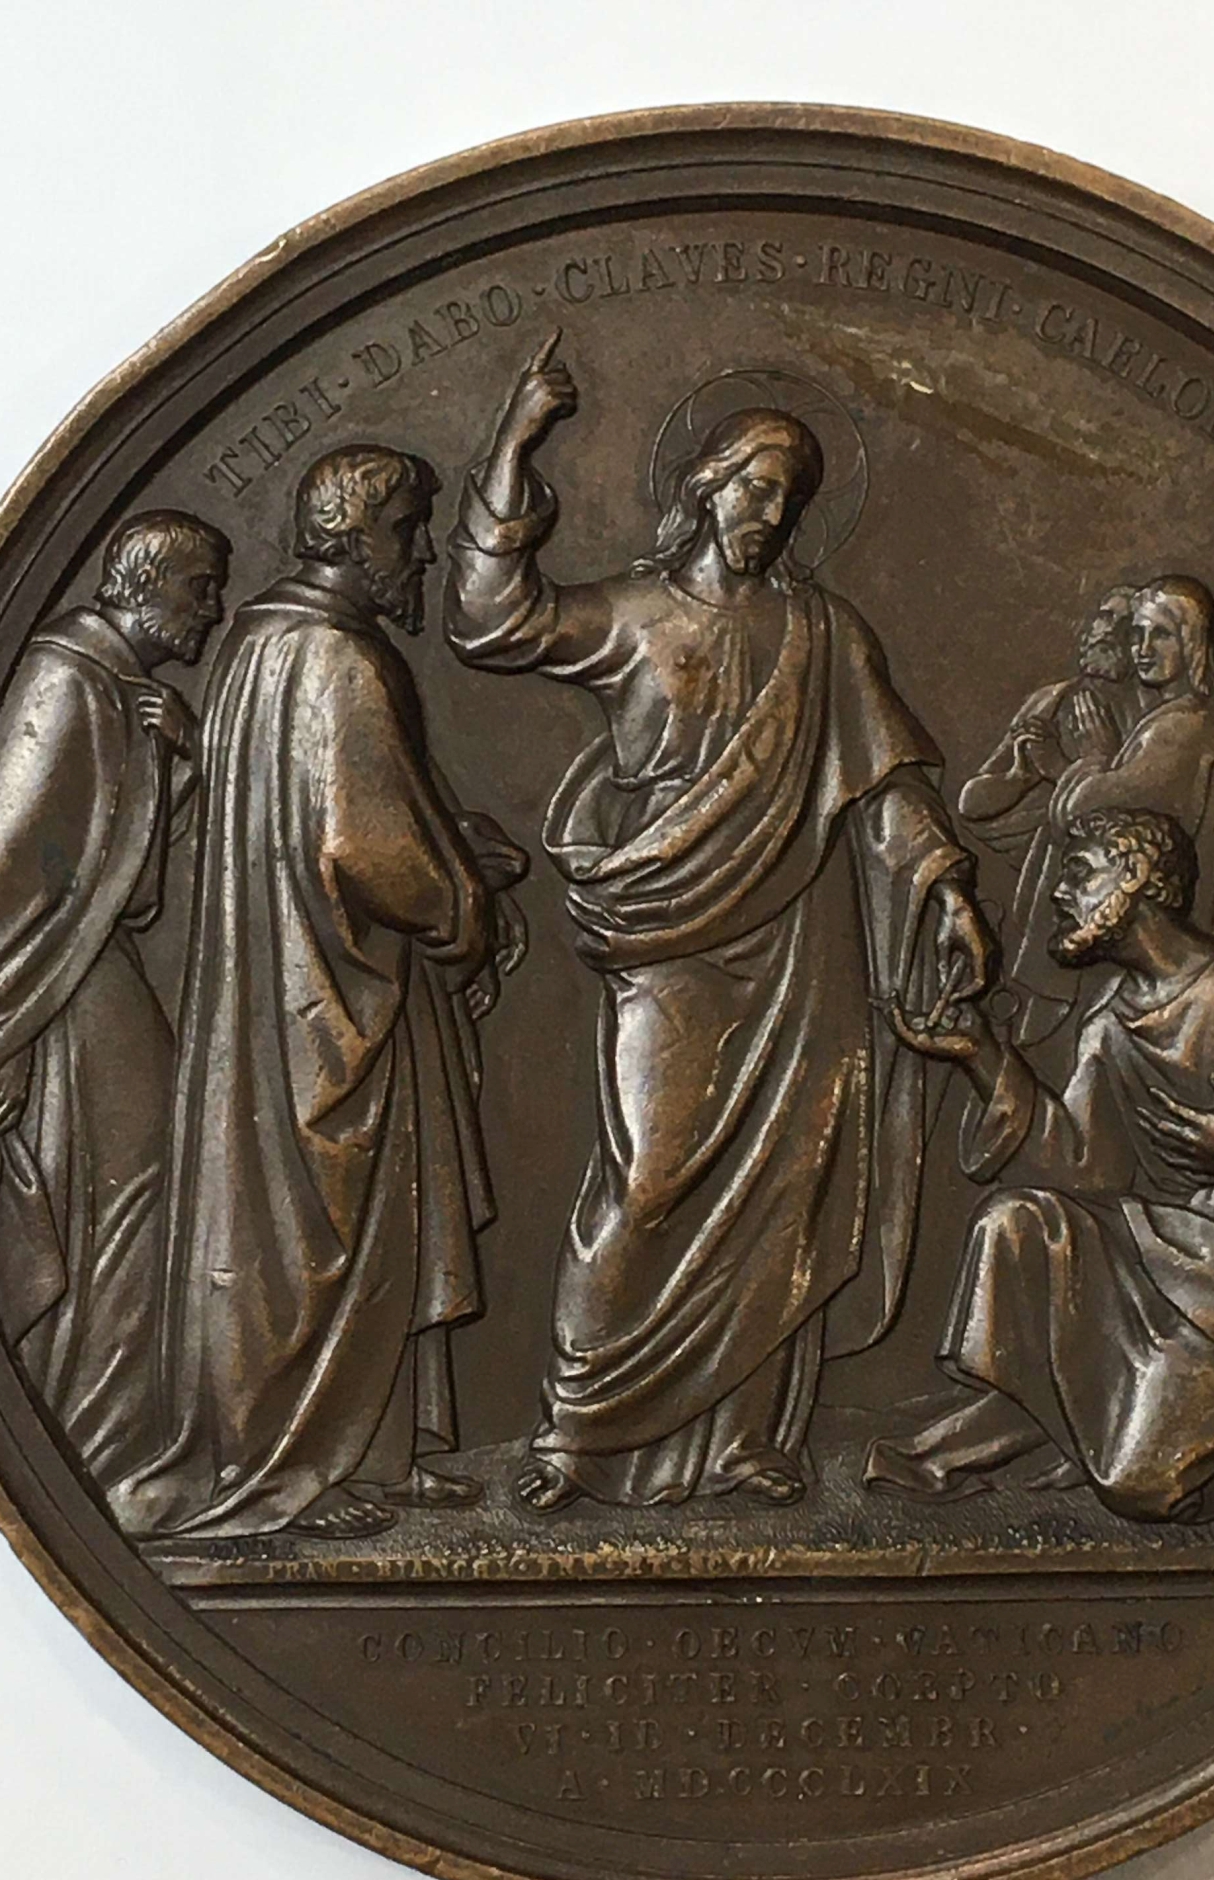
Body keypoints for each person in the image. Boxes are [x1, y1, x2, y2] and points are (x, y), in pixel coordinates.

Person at [447, 333, 994, 1511]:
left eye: (787, 498)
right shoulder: (634, 613)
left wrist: (944, 886)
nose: (770, 514)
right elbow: (492, 622)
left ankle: (747, 1437)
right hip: (667, 935)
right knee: (647, 1178)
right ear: (703, 485)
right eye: (754, 488)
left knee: (782, 1185)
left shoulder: (824, 632)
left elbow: (883, 784)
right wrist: (514, 443)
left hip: (799, 940)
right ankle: (577, 1428)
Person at [113, 446, 527, 1540]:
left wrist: (445, 841)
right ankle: (297, 1466)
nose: (421, 554)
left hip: (286, 976)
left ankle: (373, 1451)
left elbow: (313, 808)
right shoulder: (336, 655)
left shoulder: (257, 644)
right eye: (408, 531)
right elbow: (363, 846)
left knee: (344, 1222)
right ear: (352, 536)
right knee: (326, 1226)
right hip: (329, 994)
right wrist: (461, 899)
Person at [865, 807, 1214, 1520]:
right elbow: (1085, 1167)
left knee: (1148, 1486)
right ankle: (1102, 1412)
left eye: (1079, 873)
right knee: (1015, 1225)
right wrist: (982, 1055)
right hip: (1179, 1253)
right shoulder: (1111, 1026)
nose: (1058, 894)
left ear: (1135, 877)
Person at [0, 510, 227, 1512]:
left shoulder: (121, 689)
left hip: (87, 969)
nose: (212, 609)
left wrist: (174, 762)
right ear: (142, 585)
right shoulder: (65, 676)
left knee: (140, 1191)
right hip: (59, 986)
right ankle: (94, 1446)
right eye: (200, 587)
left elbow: (131, 885)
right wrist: (1, 1016)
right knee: (124, 1192)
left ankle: (112, 1441)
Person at [957, 584, 1149, 1046]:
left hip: (1120, 895)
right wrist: (1022, 777)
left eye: (1123, 624)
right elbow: (971, 802)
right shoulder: (1052, 701)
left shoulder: (1152, 714)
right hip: (1047, 886)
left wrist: (1064, 769)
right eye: (1102, 617)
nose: (1105, 630)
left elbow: (1142, 824)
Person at [1050, 576, 1214, 936]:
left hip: (1172, 931)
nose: (1143, 649)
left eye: (1161, 635)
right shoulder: (1186, 716)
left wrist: (1096, 755)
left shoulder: (1186, 725)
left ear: (1192, 641)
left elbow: (1079, 812)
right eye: (1136, 634)